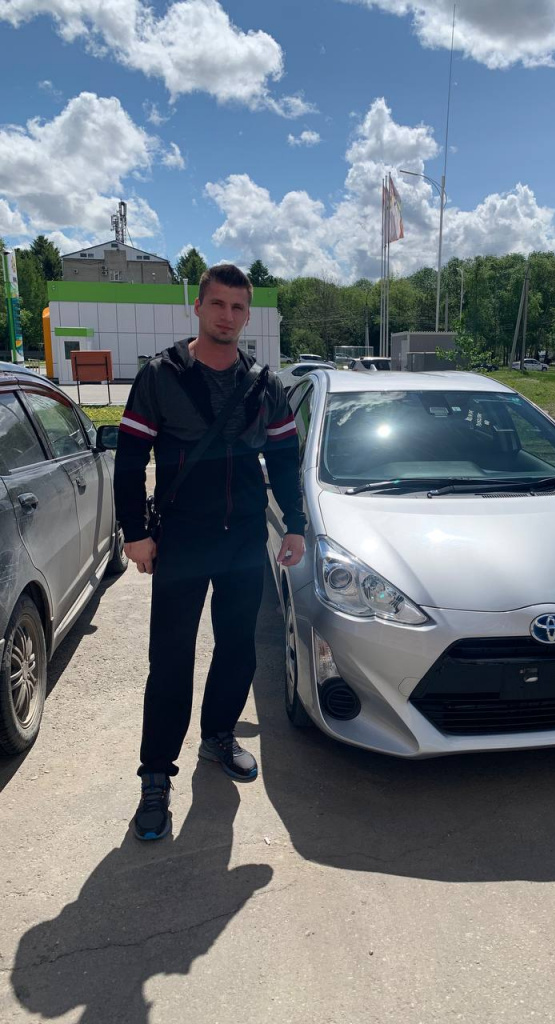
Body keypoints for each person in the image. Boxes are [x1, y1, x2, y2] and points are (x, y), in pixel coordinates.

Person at [114, 263, 306, 841]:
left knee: (237, 649)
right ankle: (155, 775)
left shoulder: (264, 383)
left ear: (248, 316)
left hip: (244, 539)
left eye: (237, 307)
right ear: (197, 307)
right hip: (181, 538)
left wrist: (294, 525)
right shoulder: (160, 376)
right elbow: (130, 459)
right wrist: (135, 531)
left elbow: (285, 459)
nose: (227, 315)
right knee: (170, 659)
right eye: (217, 304)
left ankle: (218, 736)